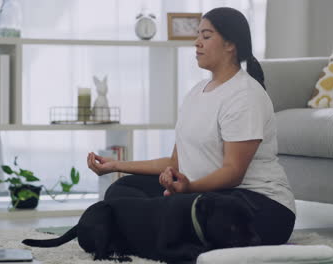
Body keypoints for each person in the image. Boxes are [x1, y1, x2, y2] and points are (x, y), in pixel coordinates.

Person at [87, 7, 296, 246]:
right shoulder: (196, 93)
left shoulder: (245, 95)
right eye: (197, 36)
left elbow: (233, 173)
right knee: (122, 190)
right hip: (203, 196)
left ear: (230, 45)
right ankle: (158, 230)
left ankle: (144, 231)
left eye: (206, 36)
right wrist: (116, 166)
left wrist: (189, 188)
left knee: (180, 207)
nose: (197, 43)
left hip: (257, 207)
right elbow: (175, 163)